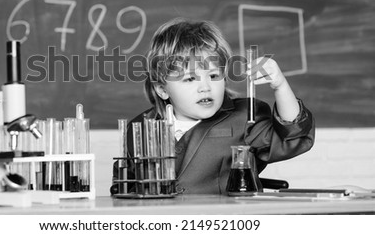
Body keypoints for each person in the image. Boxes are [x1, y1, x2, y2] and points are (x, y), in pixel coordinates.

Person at [111, 17, 315, 195]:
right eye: (190, 79)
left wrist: (280, 85)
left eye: (214, 76)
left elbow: (293, 136)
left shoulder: (244, 116)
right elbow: (127, 189)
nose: (205, 87)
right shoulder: (141, 128)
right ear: (162, 89)